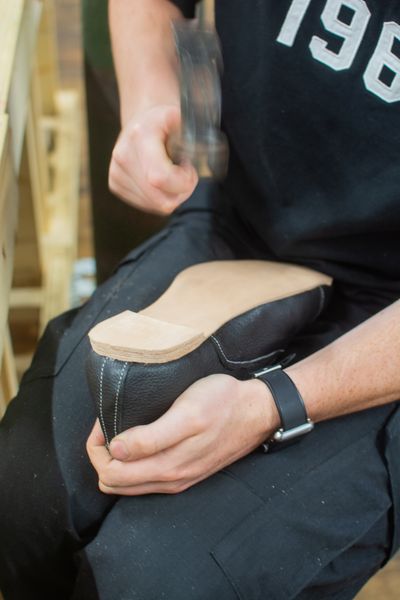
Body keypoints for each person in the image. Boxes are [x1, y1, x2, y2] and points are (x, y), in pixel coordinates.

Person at [1, 0, 400, 598]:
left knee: (156, 579)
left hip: (386, 320)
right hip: (237, 218)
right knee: (22, 501)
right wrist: (150, 102)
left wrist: (273, 405)